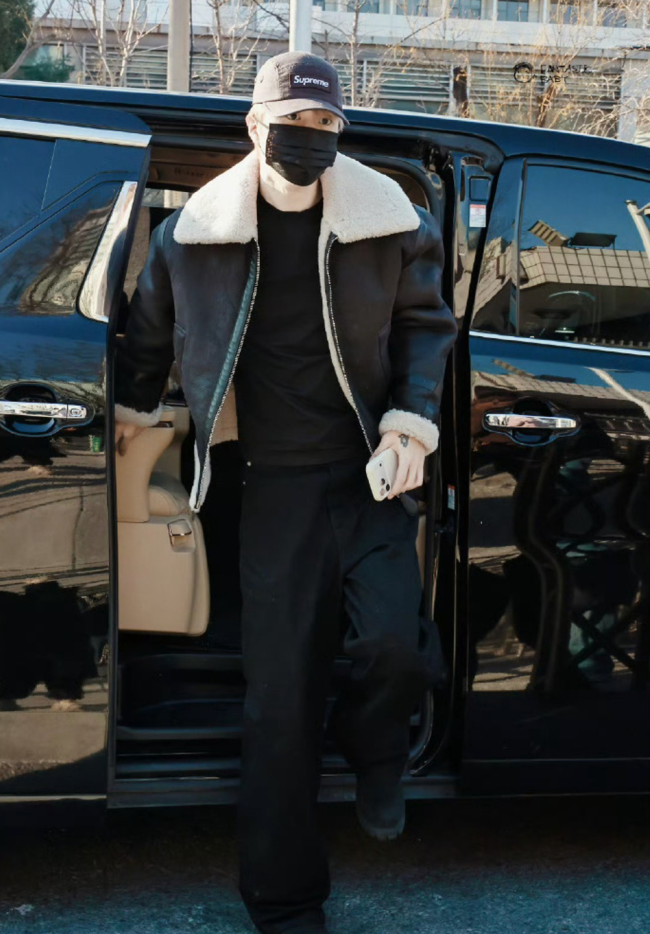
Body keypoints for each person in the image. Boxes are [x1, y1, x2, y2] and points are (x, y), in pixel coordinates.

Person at [114, 51, 457, 934]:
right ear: (255, 125)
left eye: (325, 124)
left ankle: (376, 751)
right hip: (271, 488)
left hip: (368, 475)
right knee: (280, 700)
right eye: (293, 123)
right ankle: (285, 900)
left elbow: (426, 327)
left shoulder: (392, 221)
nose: (309, 137)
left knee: (397, 647)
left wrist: (409, 427)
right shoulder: (193, 235)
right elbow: (147, 339)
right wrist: (122, 414)